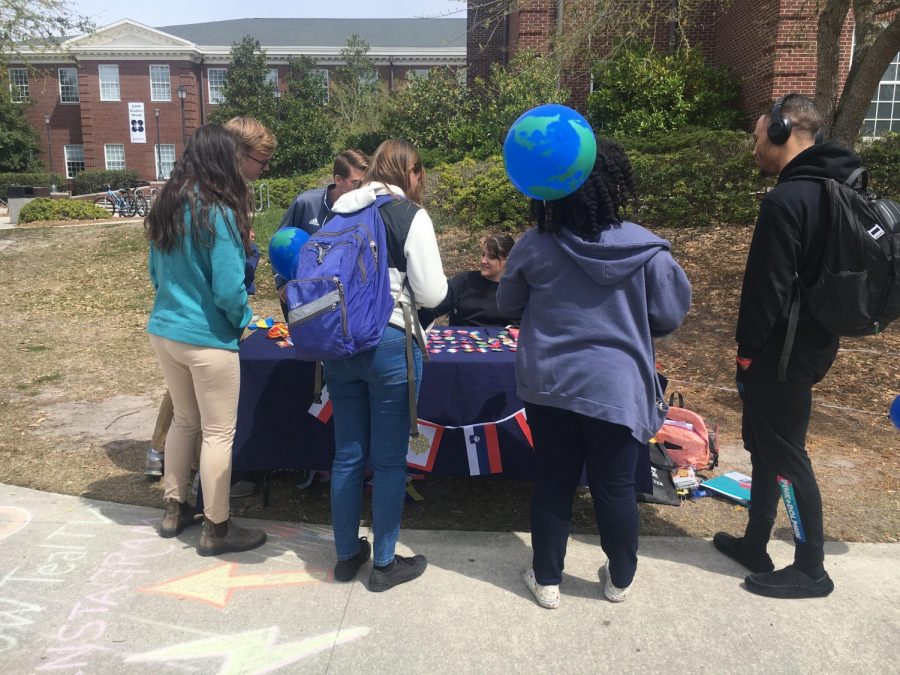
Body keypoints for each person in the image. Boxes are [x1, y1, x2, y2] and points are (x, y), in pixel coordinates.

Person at [496, 139, 691, 609]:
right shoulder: (646, 248)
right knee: (616, 485)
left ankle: (546, 580)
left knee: (553, 480)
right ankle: (619, 579)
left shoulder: (535, 245)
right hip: (617, 387)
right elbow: (670, 314)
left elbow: (506, 304)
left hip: (551, 384)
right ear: (612, 184)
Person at [713, 94, 858, 599]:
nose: (754, 147)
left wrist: (746, 352)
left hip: (779, 351)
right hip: (813, 344)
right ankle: (756, 542)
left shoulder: (786, 200)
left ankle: (810, 567)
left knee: (786, 456)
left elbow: (766, 289)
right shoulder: (834, 190)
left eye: (757, 137)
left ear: (781, 131)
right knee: (764, 446)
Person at [322, 139, 448, 591]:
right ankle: (385, 563)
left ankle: (344, 555)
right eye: (419, 174)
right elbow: (433, 295)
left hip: (340, 342)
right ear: (409, 172)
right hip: (391, 342)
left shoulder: (340, 210)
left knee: (347, 455)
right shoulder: (409, 216)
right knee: (391, 461)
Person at [145, 123, 267, 556]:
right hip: (208, 338)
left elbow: (155, 274)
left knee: (184, 420)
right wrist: (245, 319)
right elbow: (230, 289)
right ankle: (217, 527)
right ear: (223, 158)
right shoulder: (221, 208)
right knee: (218, 434)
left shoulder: (168, 202)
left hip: (165, 330)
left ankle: (174, 508)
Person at [273, 149, 369, 295]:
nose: (363, 190)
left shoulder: (365, 210)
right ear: (338, 180)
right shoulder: (305, 203)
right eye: (356, 183)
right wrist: (282, 283)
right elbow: (279, 241)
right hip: (303, 292)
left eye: (366, 184)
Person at [421, 232, 520, 327]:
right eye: (483, 254)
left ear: (507, 260)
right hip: (459, 342)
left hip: (500, 343)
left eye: (491, 257)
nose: (483, 261)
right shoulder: (465, 281)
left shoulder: (516, 291)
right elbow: (432, 308)